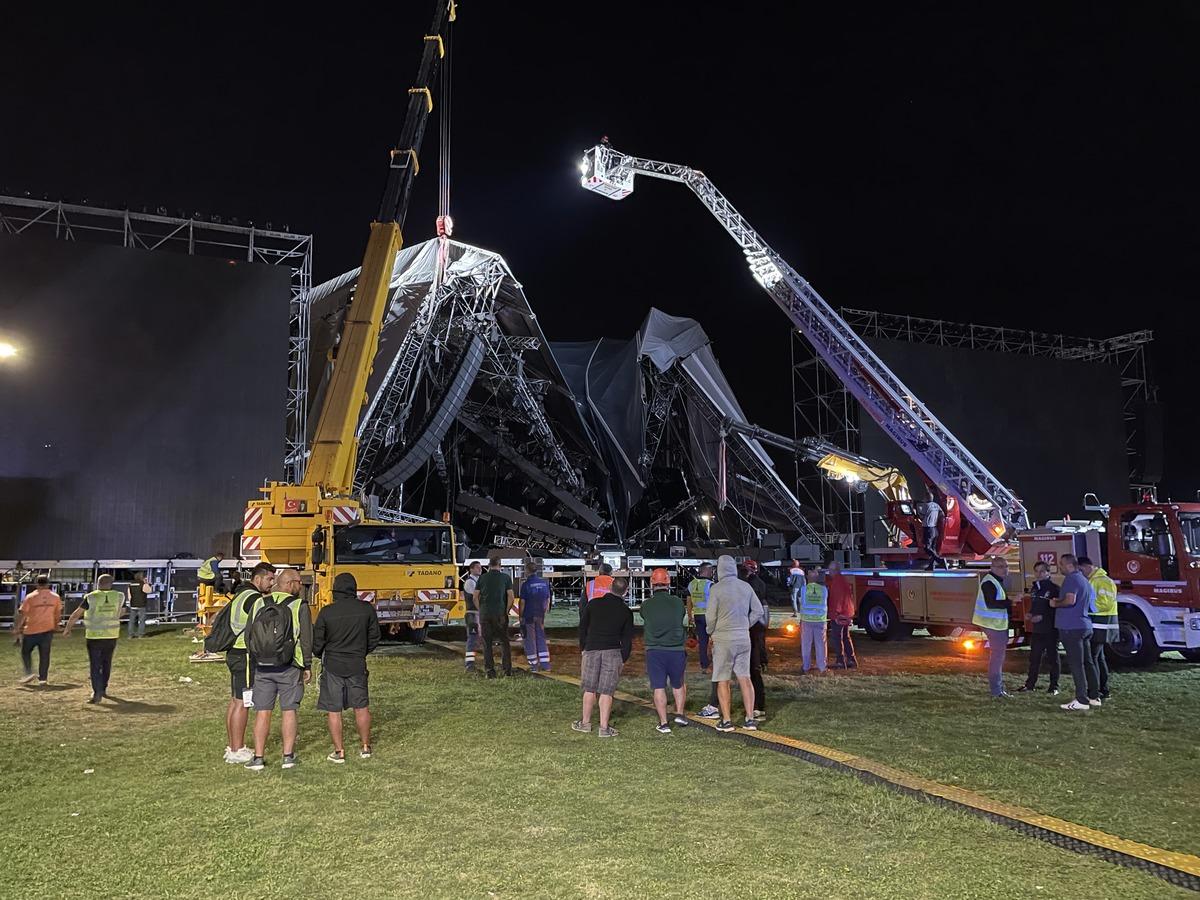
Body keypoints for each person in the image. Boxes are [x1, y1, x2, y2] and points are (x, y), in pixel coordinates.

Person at [244, 568, 313, 770]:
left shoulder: (259, 602)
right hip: (290, 665)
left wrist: (257, 658)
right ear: (290, 584)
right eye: (299, 582)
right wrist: (307, 665)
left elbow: (249, 634)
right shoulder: (299, 605)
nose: (301, 586)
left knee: (262, 712)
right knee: (289, 710)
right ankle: (288, 756)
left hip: (262, 667)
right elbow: (307, 639)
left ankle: (258, 757)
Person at [314, 573, 381, 763]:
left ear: (336, 591)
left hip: (333, 665)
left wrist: (321, 654)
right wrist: (361, 651)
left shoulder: (327, 612)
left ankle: (339, 751)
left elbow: (318, 642)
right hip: (357, 664)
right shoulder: (366, 610)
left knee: (334, 710)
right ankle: (366, 747)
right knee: (361, 707)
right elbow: (375, 637)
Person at [222, 562, 275, 765]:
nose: (271, 583)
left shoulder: (242, 594)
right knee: (244, 702)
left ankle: (233, 745)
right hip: (244, 653)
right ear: (258, 578)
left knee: (235, 701)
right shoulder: (254, 598)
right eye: (270, 579)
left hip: (235, 652)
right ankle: (237, 749)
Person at [706, 555, 764, 732]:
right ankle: (750, 718)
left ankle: (727, 720)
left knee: (723, 679)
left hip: (724, 639)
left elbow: (710, 616)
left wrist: (710, 631)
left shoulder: (717, 589)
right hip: (743, 638)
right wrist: (746, 623)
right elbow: (759, 610)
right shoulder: (745, 586)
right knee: (744, 678)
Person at [573, 575, 634, 737]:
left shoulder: (593, 604)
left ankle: (585, 723)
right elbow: (627, 639)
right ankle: (604, 728)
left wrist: (583, 647)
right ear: (625, 592)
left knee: (589, 688)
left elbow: (582, 628)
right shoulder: (626, 612)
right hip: (613, 652)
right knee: (607, 691)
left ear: (609, 588)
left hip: (591, 649)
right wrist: (623, 658)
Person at [640, 567, 689, 733]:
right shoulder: (676, 602)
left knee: (659, 687)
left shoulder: (647, 605)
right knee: (678, 683)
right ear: (668, 583)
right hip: (676, 649)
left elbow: (644, 616)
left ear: (652, 584)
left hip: (655, 651)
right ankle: (680, 714)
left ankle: (664, 723)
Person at [63, 574, 124, 704]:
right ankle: (103, 688)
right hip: (112, 634)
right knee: (107, 663)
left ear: (98, 583)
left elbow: (76, 614)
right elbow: (122, 611)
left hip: (94, 636)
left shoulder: (91, 597)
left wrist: (68, 628)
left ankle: (97, 693)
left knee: (95, 665)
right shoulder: (119, 596)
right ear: (111, 584)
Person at [1053, 553, 1099, 712]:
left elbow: (1070, 600)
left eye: (1061, 564)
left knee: (1076, 664)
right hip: (1085, 625)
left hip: (1071, 627)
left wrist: (1055, 603)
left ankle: (1081, 699)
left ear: (1068, 565)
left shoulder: (1071, 579)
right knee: (1088, 662)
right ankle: (1094, 696)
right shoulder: (1085, 580)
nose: (1059, 567)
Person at [971, 556, 1012, 699]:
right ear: (992, 568)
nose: (1005, 569)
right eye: (1000, 566)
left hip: (995, 624)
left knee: (997, 658)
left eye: (1006, 566)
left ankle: (998, 689)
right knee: (997, 659)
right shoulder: (989, 582)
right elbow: (992, 603)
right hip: (993, 625)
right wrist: (1011, 602)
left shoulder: (995, 581)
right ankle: (996, 691)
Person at [1017, 561, 1060, 695]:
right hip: (1037, 630)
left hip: (1050, 629)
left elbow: (1056, 609)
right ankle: (1030, 684)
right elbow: (1036, 605)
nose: (1039, 574)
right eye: (1037, 571)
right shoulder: (1035, 588)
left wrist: (1043, 617)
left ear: (1048, 573)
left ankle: (1054, 687)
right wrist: (1030, 613)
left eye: (1042, 571)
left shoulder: (1054, 588)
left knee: (1053, 658)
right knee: (1034, 658)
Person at [1079, 556, 1117, 701]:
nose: (1081, 573)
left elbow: (1105, 604)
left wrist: (1085, 608)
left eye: (1081, 569)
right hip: (1101, 624)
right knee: (1099, 658)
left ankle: (1095, 691)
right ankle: (1102, 689)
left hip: (1100, 624)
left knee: (1092, 658)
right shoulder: (1097, 580)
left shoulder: (1100, 581)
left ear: (1088, 566)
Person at [14, 576, 62, 685]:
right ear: (48, 583)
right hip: (47, 629)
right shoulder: (55, 597)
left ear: (36, 584)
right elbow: (57, 614)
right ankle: (43, 679)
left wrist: (17, 628)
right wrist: (56, 626)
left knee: (26, 652)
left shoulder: (30, 597)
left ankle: (29, 672)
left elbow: (23, 614)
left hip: (31, 629)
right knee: (45, 654)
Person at [474, 553, 515, 678]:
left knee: (487, 643)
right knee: (504, 641)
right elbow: (511, 596)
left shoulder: (482, 578)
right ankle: (507, 670)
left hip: (485, 614)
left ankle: (490, 671)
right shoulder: (506, 578)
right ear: (500, 565)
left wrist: (480, 609)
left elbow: (475, 596)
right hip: (500, 614)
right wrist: (506, 610)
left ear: (489, 565)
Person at [742, 561, 770, 720]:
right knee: (755, 666)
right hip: (757, 628)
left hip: (750, 627)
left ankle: (757, 705)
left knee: (751, 670)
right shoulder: (760, 584)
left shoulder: (748, 585)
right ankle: (758, 704)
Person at [519, 558, 552, 672]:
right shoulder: (544, 583)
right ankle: (545, 664)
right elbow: (547, 599)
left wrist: (521, 616)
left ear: (527, 571)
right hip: (540, 615)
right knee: (541, 637)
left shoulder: (526, 584)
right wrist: (544, 611)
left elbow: (522, 602)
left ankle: (534, 664)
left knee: (530, 639)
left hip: (529, 615)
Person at [826, 560, 857, 669]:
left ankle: (840, 660)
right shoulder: (842, 580)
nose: (828, 572)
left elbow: (837, 599)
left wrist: (835, 614)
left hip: (840, 614)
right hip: (847, 612)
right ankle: (851, 659)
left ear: (834, 570)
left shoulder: (836, 582)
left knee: (837, 637)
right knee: (845, 637)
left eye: (830, 570)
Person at [799, 567, 829, 674]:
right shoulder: (824, 589)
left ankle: (806, 667)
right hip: (820, 620)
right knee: (821, 645)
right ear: (817, 578)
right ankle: (822, 667)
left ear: (807, 577)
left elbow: (801, 603)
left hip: (806, 620)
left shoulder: (803, 589)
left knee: (806, 645)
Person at [686, 563, 714, 673]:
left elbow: (688, 602)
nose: (712, 573)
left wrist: (689, 616)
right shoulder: (710, 584)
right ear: (706, 571)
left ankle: (704, 665)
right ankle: (714, 662)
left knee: (702, 642)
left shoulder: (691, 584)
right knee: (714, 640)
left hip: (697, 616)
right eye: (711, 571)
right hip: (709, 616)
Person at [462, 561, 483, 672]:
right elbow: (476, 597)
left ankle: (472, 663)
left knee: (476, 638)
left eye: (480, 567)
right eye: (477, 568)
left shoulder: (476, 581)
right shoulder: (470, 582)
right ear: (471, 569)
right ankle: (469, 665)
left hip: (475, 614)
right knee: (473, 638)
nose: (480, 569)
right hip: (472, 614)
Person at [920, 490, 945, 570]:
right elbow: (942, 514)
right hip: (935, 529)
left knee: (927, 547)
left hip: (928, 529)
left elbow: (921, 516)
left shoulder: (926, 505)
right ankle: (931, 566)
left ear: (927, 497)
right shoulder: (936, 505)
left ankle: (940, 560)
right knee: (933, 549)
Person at [127, 572, 150, 639]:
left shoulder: (131, 584)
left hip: (133, 604)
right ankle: (140, 634)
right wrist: (146, 583)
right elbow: (149, 591)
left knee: (131, 620)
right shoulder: (142, 584)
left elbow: (129, 595)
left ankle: (130, 635)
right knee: (142, 620)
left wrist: (130, 602)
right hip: (141, 604)